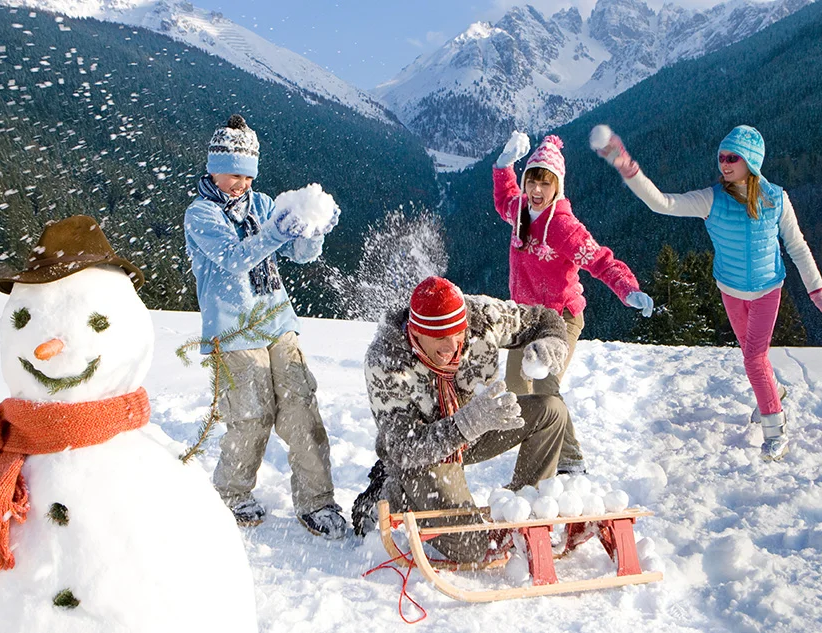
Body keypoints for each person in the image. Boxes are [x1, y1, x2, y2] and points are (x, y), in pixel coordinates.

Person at [591, 123, 822, 461]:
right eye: (721, 157)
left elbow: (797, 247)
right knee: (754, 357)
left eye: (732, 158)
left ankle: (776, 429)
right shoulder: (712, 199)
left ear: (751, 161)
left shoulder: (776, 199)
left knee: (753, 359)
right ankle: (773, 391)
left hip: (768, 290)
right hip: (730, 291)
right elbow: (662, 203)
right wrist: (626, 166)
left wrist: (818, 292)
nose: (724, 163)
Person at [184, 114, 346, 538]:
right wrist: (276, 232)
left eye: (248, 176)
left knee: (301, 410)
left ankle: (317, 499)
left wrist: (313, 233)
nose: (241, 183)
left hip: (277, 322)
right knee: (252, 414)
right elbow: (235, 259)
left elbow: (299, 255)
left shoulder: (261, 205)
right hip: (232, 329)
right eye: (233, 174)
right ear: (213, 168)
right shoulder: (201, 214)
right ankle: (232, 493)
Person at [357, 276, 572, 561]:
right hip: (422, 455)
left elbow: (543, 318)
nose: (450, 346)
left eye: (457, 334)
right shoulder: (386, 361)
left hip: (480, 425)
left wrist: (553, 340)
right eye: (439, 338)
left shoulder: (482, 318)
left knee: (551, 411)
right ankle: (394, 492)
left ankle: (523, 510)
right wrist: (466, 424)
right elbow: (403, 448)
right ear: (416, 332)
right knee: (473, 548)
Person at [492, 132, 653, 474]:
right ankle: (540, 438)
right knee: (518, 387)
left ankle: (570, 459)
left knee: (545, 385)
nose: (537, 190)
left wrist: (627, 289)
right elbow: (504, 198)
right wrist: (504, 164)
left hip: (560, 318)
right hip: (524, 317)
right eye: (532, 181)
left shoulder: (563, 228)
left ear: (558, 187)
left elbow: (600, 261)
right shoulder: (520, 211)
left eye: (545, 183)